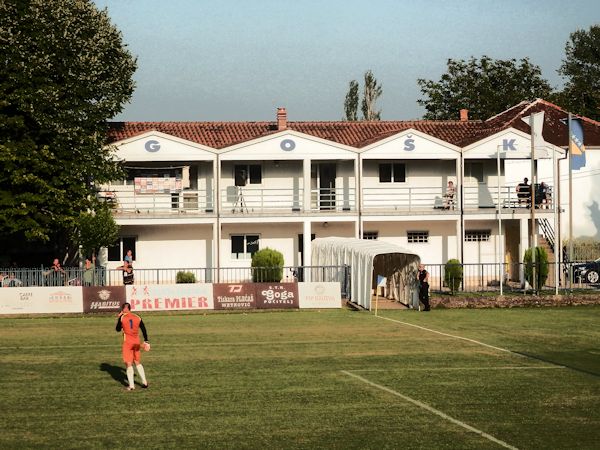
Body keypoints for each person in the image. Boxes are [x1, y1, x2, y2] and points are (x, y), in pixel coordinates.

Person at [115, 302, 149, 391]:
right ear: (130, 308)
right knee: (137, 361)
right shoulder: (137, 316)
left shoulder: (122, 317)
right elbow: (143, 328)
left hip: (128, 343)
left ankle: (131, 386)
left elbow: (118, 329)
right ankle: (145, 382)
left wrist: (119, 318)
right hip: (137, 342)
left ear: (124, 309)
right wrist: (146, 340)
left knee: (128, 363)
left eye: (123, 309)